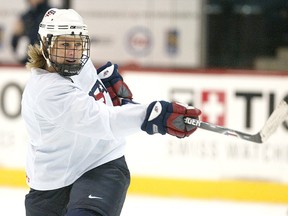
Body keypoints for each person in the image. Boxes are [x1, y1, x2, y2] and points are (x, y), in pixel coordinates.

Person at [21, 8, 201, 216]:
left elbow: (97, 98)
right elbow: (103, 121)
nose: (72, 53)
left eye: (78, 44)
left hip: (101, 164)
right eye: (64, 44)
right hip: (51, 182)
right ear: (46, 45)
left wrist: (106, 90)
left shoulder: (79, 63)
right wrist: (155, 115)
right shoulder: (46, 91)